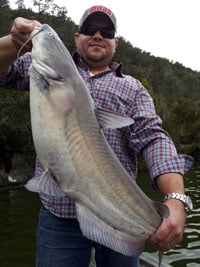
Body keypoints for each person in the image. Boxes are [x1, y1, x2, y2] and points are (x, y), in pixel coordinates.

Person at [0, 5, 194, 267]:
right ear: (77, 37)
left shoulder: (133, 88)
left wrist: (177, 198)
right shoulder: (39, 68)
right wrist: (15, 42)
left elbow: (153, 138)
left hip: (119, 216)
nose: (98, 35)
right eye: (90, 29)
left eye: (107, 31)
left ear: (116, 42)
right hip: (59, 217)